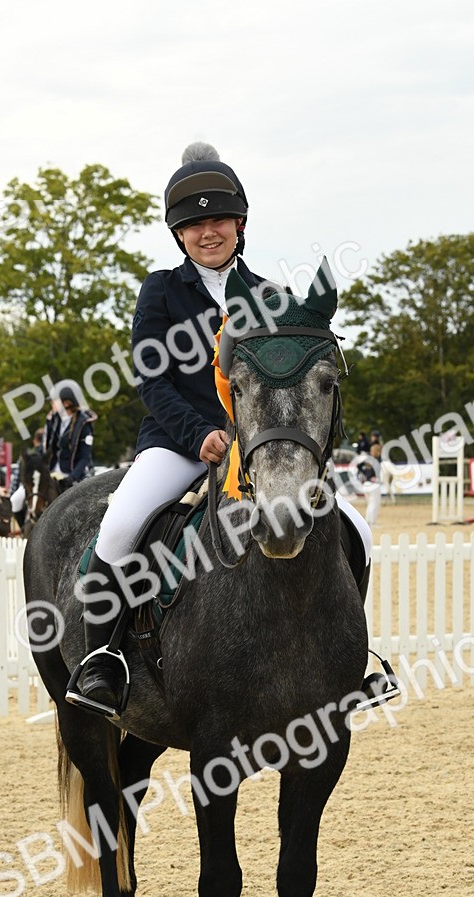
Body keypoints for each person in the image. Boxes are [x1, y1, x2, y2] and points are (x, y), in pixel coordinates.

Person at [69, 143, 395, 716]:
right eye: (194, 225)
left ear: (239, 225)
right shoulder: (161, 291)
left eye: (218, 220)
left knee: (357, 532)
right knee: (119, 528)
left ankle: (348, 662)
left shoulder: (273, 296)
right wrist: (199, 434)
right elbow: (153, 380)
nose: (208, 232)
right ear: (179, 235)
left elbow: (290, 384)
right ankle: (105, 660)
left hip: (260, 450)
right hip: (180, 445)